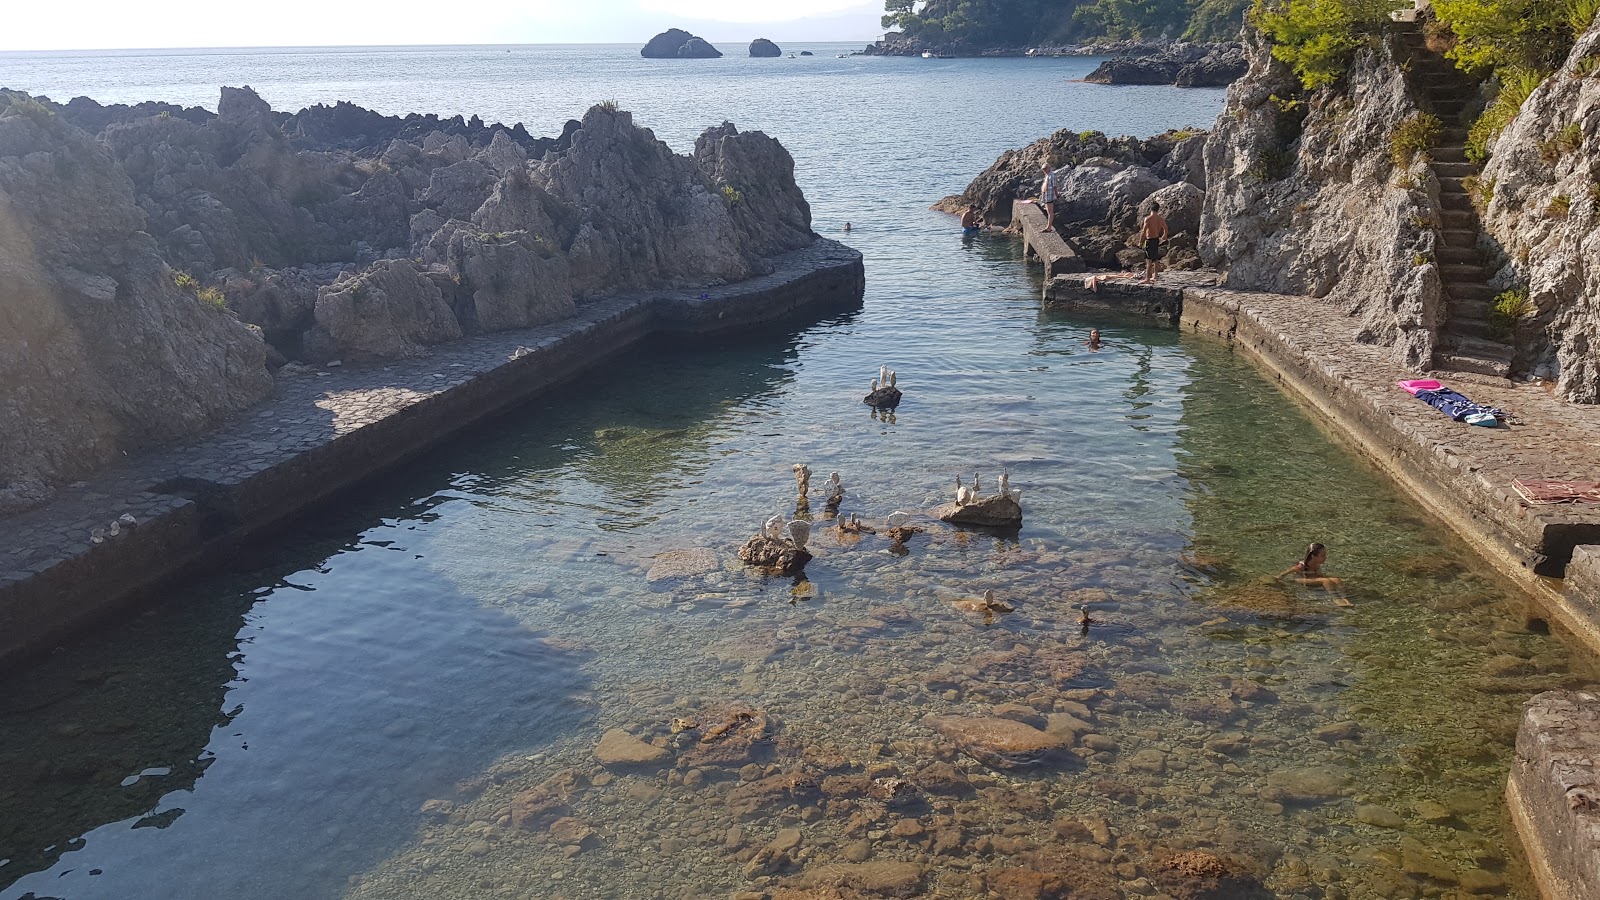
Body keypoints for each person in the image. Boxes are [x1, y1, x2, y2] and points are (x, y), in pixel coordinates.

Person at [1138, 202, 1169, 284]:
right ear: (1158, 209)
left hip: (1149, 240)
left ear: (1150, 209)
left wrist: (1140, 241)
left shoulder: (1148, 219)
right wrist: (1164, 235)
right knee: (1155, 259)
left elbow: (1144, 231)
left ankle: (1147, 279)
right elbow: (1165, 228)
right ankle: (1155, 276)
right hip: (1156, 240)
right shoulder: (1160, 219)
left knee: (1148, 260)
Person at [1040, 161, 1057, 232]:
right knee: (1048, 212)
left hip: (1050, 196)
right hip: (1046, 196)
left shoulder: (1052, 176)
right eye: (1043, 169)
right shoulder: (1047, 175)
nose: (1044, 171)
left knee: (1050, 212)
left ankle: (1049, 227)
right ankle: (1049, 226)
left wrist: (1057, 194)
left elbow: (1055, 186)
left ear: (1048, 168)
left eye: (1045, 169)